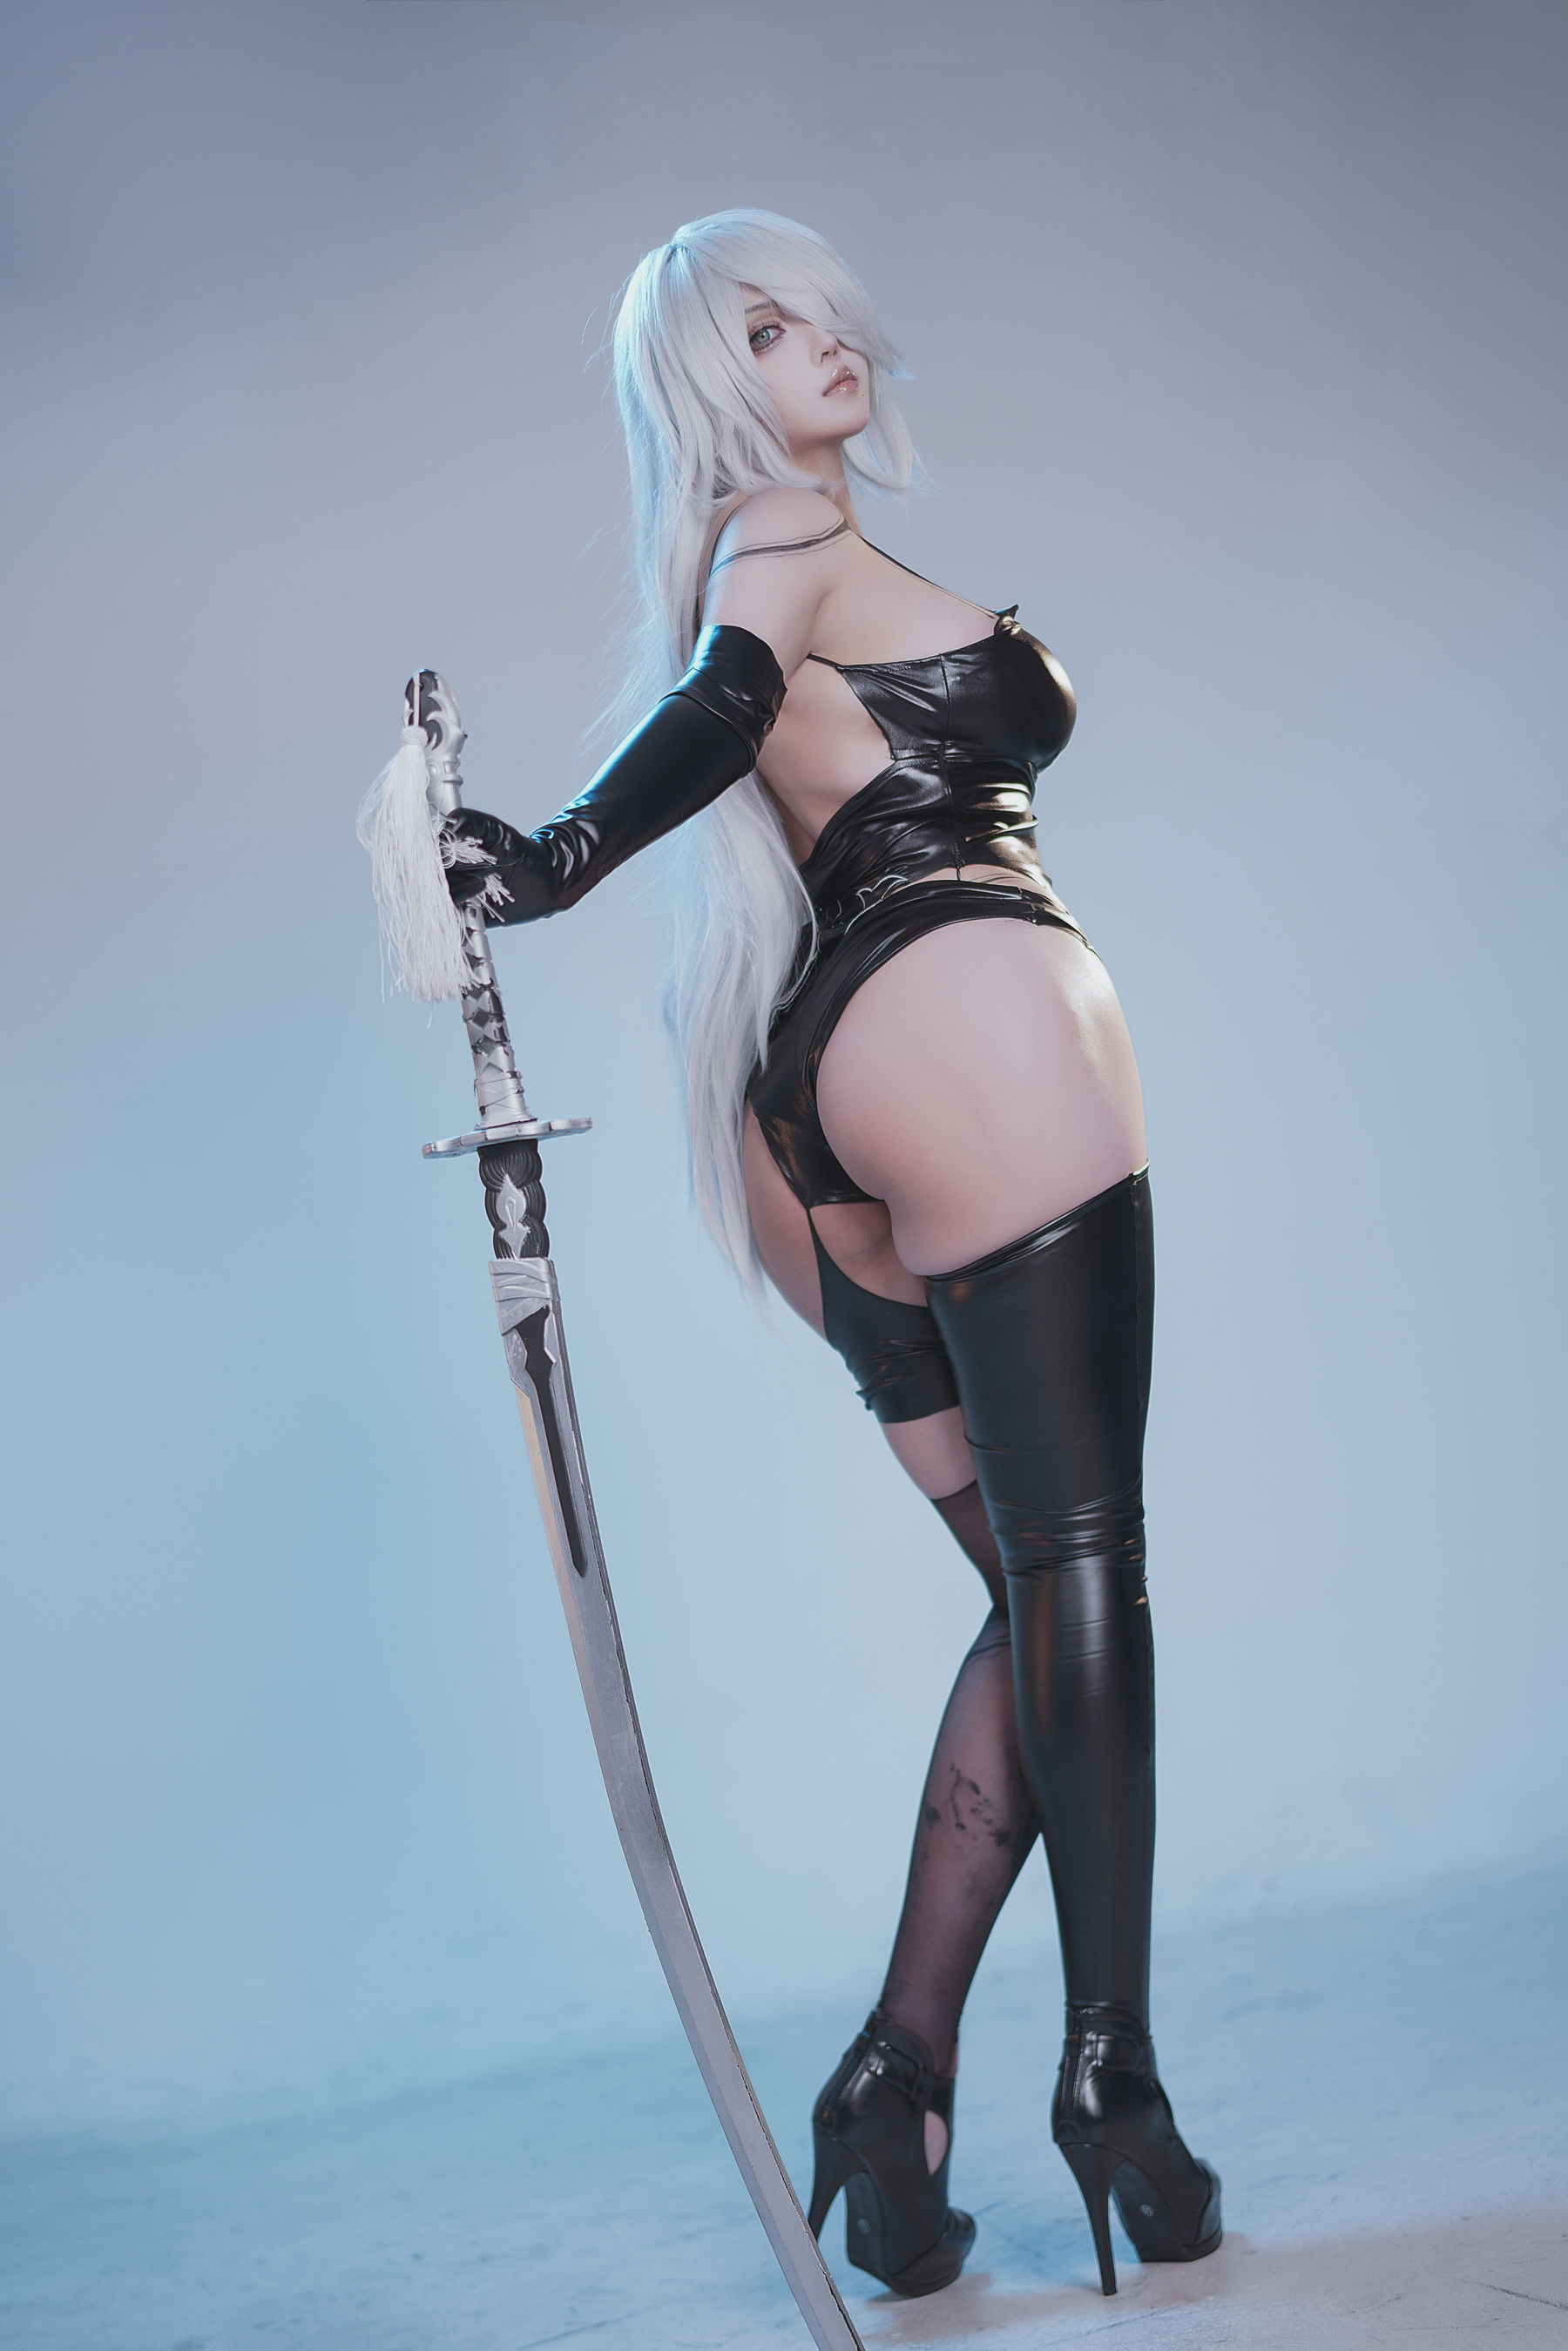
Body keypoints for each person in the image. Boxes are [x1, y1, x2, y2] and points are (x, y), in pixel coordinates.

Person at [443, 208, 1220, 2301]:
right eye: (763, 330)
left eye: (814, 314)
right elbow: (723, 704)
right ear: (719, 386)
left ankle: (895, 2076)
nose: (819, 349)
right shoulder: (777, 533)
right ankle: (1116, 2075)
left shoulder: (787, 545)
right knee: (1088, 1575)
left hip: (817, 1121)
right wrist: (561, 858)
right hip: (966, 1031)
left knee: (1035, 1606)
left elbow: (743, 710)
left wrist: (564, 859)